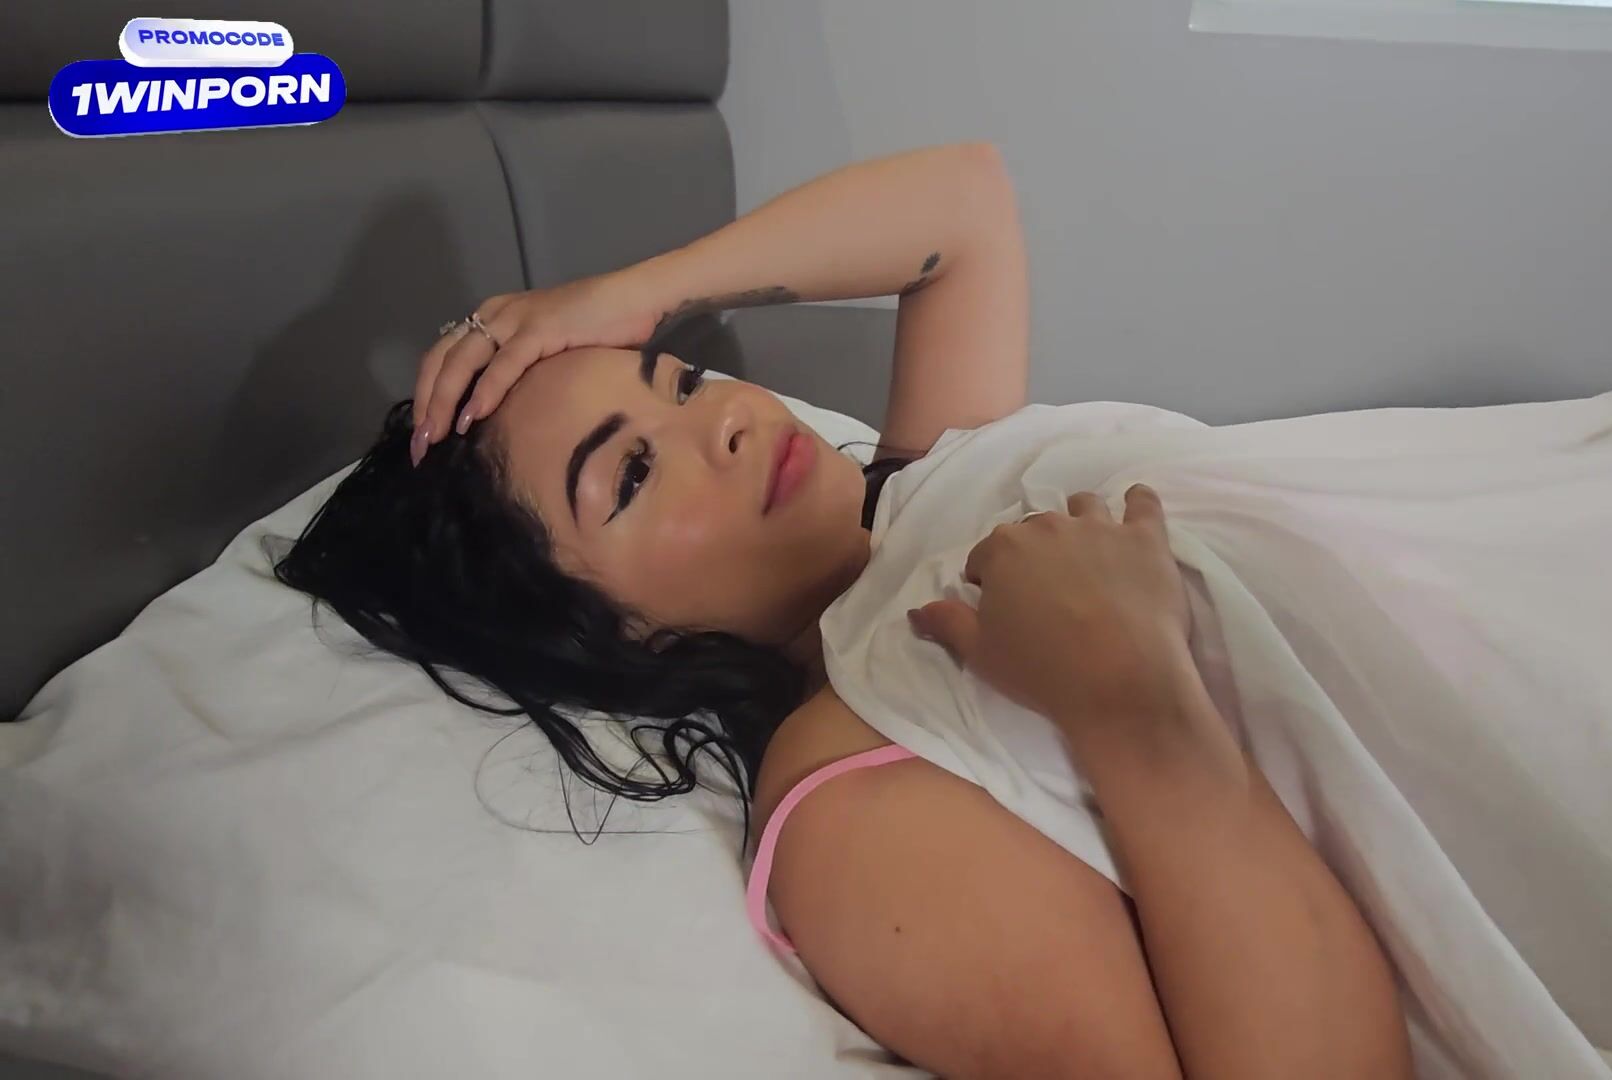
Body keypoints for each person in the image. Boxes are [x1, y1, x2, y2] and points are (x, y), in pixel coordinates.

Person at [278, 142, 1409, 1078]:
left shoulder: (926, 482)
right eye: (632, 475)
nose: (724, 419)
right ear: (602, 631)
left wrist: (635, 296)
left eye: (680, 382)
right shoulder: (847, 796)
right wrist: (1137, 707)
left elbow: (965, 203)